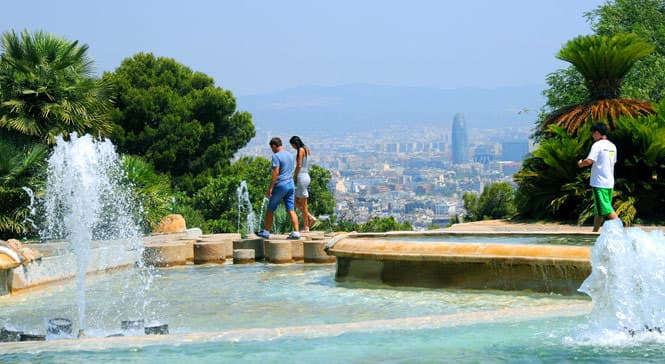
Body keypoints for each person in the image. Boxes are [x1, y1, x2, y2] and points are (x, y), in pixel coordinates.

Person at [256, 137, 300, 240]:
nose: (272, 150)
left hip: (281, 185)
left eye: (272, 148)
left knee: (270, 208)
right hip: (291, 185)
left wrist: (270, 188)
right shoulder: (290, 155)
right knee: (291, 209)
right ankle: (296, 232)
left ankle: (266, 232)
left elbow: (275, 172)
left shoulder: (276, 156)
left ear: (274, 146)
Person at [578, 122, 619, 232]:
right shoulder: (612, 146)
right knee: (599, 210)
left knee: (606, 209)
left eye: (593, 133)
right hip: (609, 183)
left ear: (597, 133)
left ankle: (622, 231)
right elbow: (612, 162)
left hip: (599, 183)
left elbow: (589, 161)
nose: (592, 136)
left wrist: (581, 163)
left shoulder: (597, 145)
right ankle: (595, 232)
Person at [290, 136, 317, 232]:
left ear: (295, 144)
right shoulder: (305, 149)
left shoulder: (301, 150)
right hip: (305, 176)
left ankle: (306, 226)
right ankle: (310, 217)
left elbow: (299, 165)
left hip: (301, 177)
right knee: (295, 202)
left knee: (303, 204)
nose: (292, 147)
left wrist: (294, 176)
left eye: (292, 145)